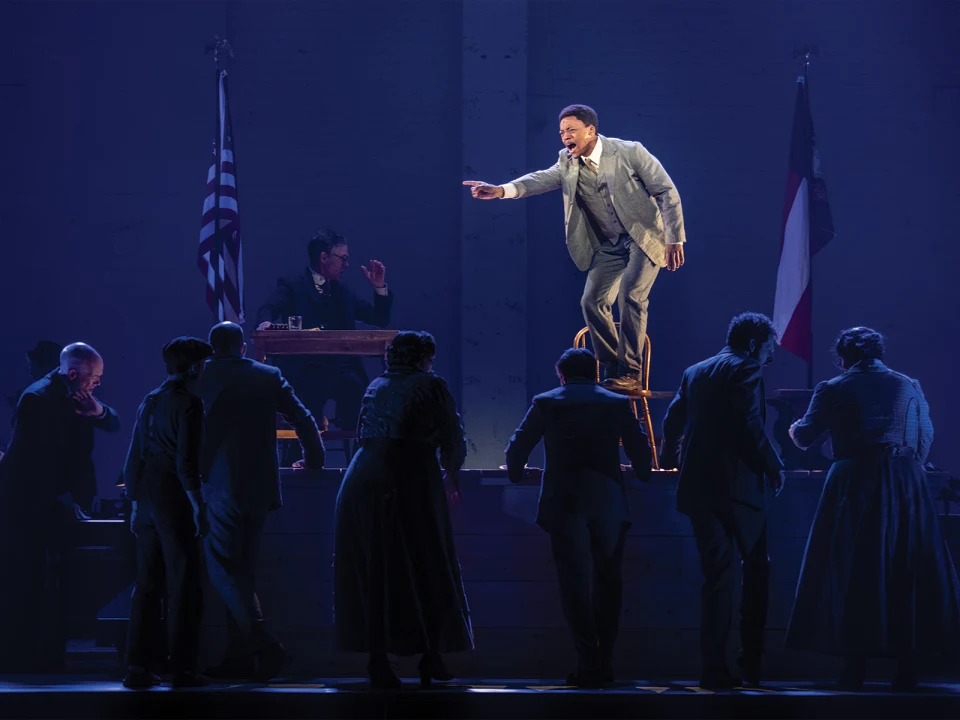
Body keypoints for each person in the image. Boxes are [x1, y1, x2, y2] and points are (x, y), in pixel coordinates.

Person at [464, 104, 685, 392]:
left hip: (644, 237)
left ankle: (631, 372)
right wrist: (501, 190)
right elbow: (541, 179)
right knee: (591, 301)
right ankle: (612, 369)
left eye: (571, 130)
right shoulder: (567, 161)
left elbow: (665, 191)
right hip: (609, 243)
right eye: (561, 132)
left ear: (591, 130)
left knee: (631, 295)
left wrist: (674, 238)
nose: (565, 137)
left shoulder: (629, 152)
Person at [785, 327, 960, 690]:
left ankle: (855, 666)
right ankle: (907, 665)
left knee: (854, 568)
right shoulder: (908, 385)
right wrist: (905, 466)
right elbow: (924, 437)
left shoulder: (833, 387)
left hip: (855, 480)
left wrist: (791, 426)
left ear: (844, 355)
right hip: (904, 479)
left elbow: (804, 438)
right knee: (906, 565)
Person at [333, 331, 473, 689]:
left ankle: (380, 659)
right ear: (425, 357)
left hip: (362, 478)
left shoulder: (376, 385)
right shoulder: (431, 384)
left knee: (375, 568)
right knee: (427, 561)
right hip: (408, 475)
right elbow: (452, 436)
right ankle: (431, 656)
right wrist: (452, 473)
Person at [505, 348, 651, 687]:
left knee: (574, 584)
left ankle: (587, 661)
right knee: (608, 582)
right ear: (595, 372)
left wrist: (515, 473)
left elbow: (518, 447)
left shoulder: (547, 402)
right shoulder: (615, 402)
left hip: (565, 499)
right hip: (608, 499)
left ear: (562, 375)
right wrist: (642, 472)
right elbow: (638, 447)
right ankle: (606, 662)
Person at [660, 313, 785, 689]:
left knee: (716, 578)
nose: (770, 357)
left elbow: (672, 419)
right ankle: (751, 661)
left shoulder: (695, 370)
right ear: (752, 345)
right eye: (768, 348)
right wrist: (775, 465)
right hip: (741, 490)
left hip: (698, 488)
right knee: (757, 570)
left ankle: (713, 668)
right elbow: (749, 424)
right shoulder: (746, 369)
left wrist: (668, 460)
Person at [198, 321, 326, 682]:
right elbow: (302, 416)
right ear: (242, 347)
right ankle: (240, 656)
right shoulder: (268, 375)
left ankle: (267, 648)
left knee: (225, 570)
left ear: (212, 347)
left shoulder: (200, 376)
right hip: (260, 485)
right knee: (241, 571)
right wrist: (314, 459)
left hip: (218, 483)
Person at [0, 342, 120, 672]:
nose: (97, 383)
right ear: (72, 373)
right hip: (34, 504)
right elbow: (36, 459)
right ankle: (25, 655)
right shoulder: (38, 398)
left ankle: (47, 652)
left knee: (56, 579)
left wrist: (96, 410)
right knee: (31, 579)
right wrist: (65, 496)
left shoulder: (77, 394)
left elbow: (113, 422)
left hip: (60, 501)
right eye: (94, 377)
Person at [121, 337, 213, 689]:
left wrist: (133, 504)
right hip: (173, 496)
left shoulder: (150, 399)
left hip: (145, 496)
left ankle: (138, 667)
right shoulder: (190, 404)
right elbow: (186, 463)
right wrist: (198, 507)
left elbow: (134, 456)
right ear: (193, 368)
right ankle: (184, 669)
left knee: (147, 584)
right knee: (185, 584)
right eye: (202, 365)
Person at [256, 229, 393, 438]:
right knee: (307, 392)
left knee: (358, 390)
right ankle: (302, 451)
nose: (346, 265)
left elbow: (379, 318)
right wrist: (265, 323)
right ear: (323, 257)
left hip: (341, 368)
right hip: (305, 367)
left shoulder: (342, 291)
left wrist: (379, 287)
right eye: (343, 259)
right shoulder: (293, 284)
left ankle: (359, 449)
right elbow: (269, 308)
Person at [6, 340, 63, 411]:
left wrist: (20, 408)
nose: (30, 372)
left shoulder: (39, 397)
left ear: (46, 366)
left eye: (32, 365)